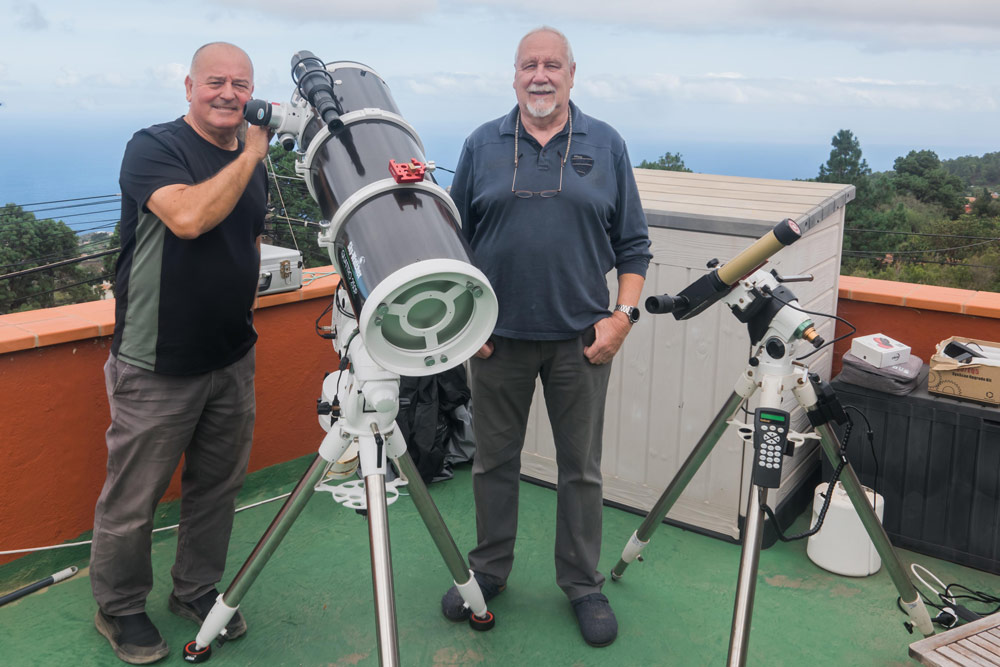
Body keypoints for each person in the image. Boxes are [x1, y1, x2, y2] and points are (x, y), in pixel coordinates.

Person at [440, 27, 652, 647]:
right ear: (514, 76)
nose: (540, 75)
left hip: (582, 343)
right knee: (492, 463)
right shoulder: (482, 144)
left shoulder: (605, 144)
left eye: (551, 65)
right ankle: (487, 572)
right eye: (529, 64)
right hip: (496, 341)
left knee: (580, 470)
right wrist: (463, 325)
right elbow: (454, 245)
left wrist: (623, 318)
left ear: (571, 74)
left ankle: (583, 584)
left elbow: (633, 245)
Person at [90, 42, 272, 664]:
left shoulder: (254, 165)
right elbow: (189, 219)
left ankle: (195, 590)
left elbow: (247, 240)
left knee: (217, 487)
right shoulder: (154, 148)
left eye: (240, 84)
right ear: (188, 86)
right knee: (133, 497)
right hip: (156, 360)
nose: (228, 93)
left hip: (231, 355)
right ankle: (117, 608)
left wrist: (250, 162)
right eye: (215, 81)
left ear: (252, 91)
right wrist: (251, 152)